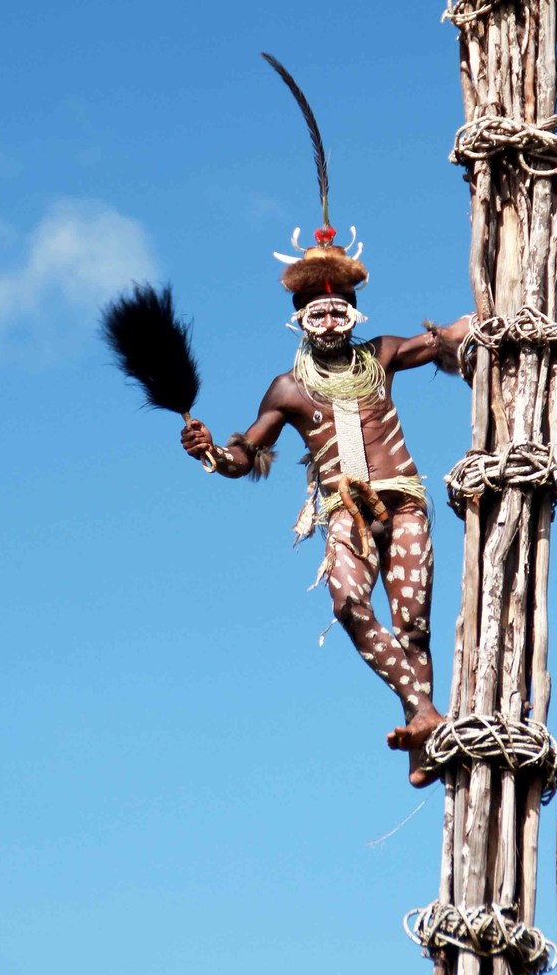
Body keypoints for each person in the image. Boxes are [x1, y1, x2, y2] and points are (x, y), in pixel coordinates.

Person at [181, 228, 470, 786]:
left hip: (403, 504)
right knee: (349, 606)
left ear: (355, 315)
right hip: (346, 514)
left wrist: (478, 323)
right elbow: (246, 453)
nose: (332, 323)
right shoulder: (289, 389)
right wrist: (212, 453)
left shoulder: (382, 355)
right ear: (300, 321)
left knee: (413, 626)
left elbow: (442, 341)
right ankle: (425, 713)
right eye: (319, 314)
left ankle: (422, 740)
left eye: (340, 312)